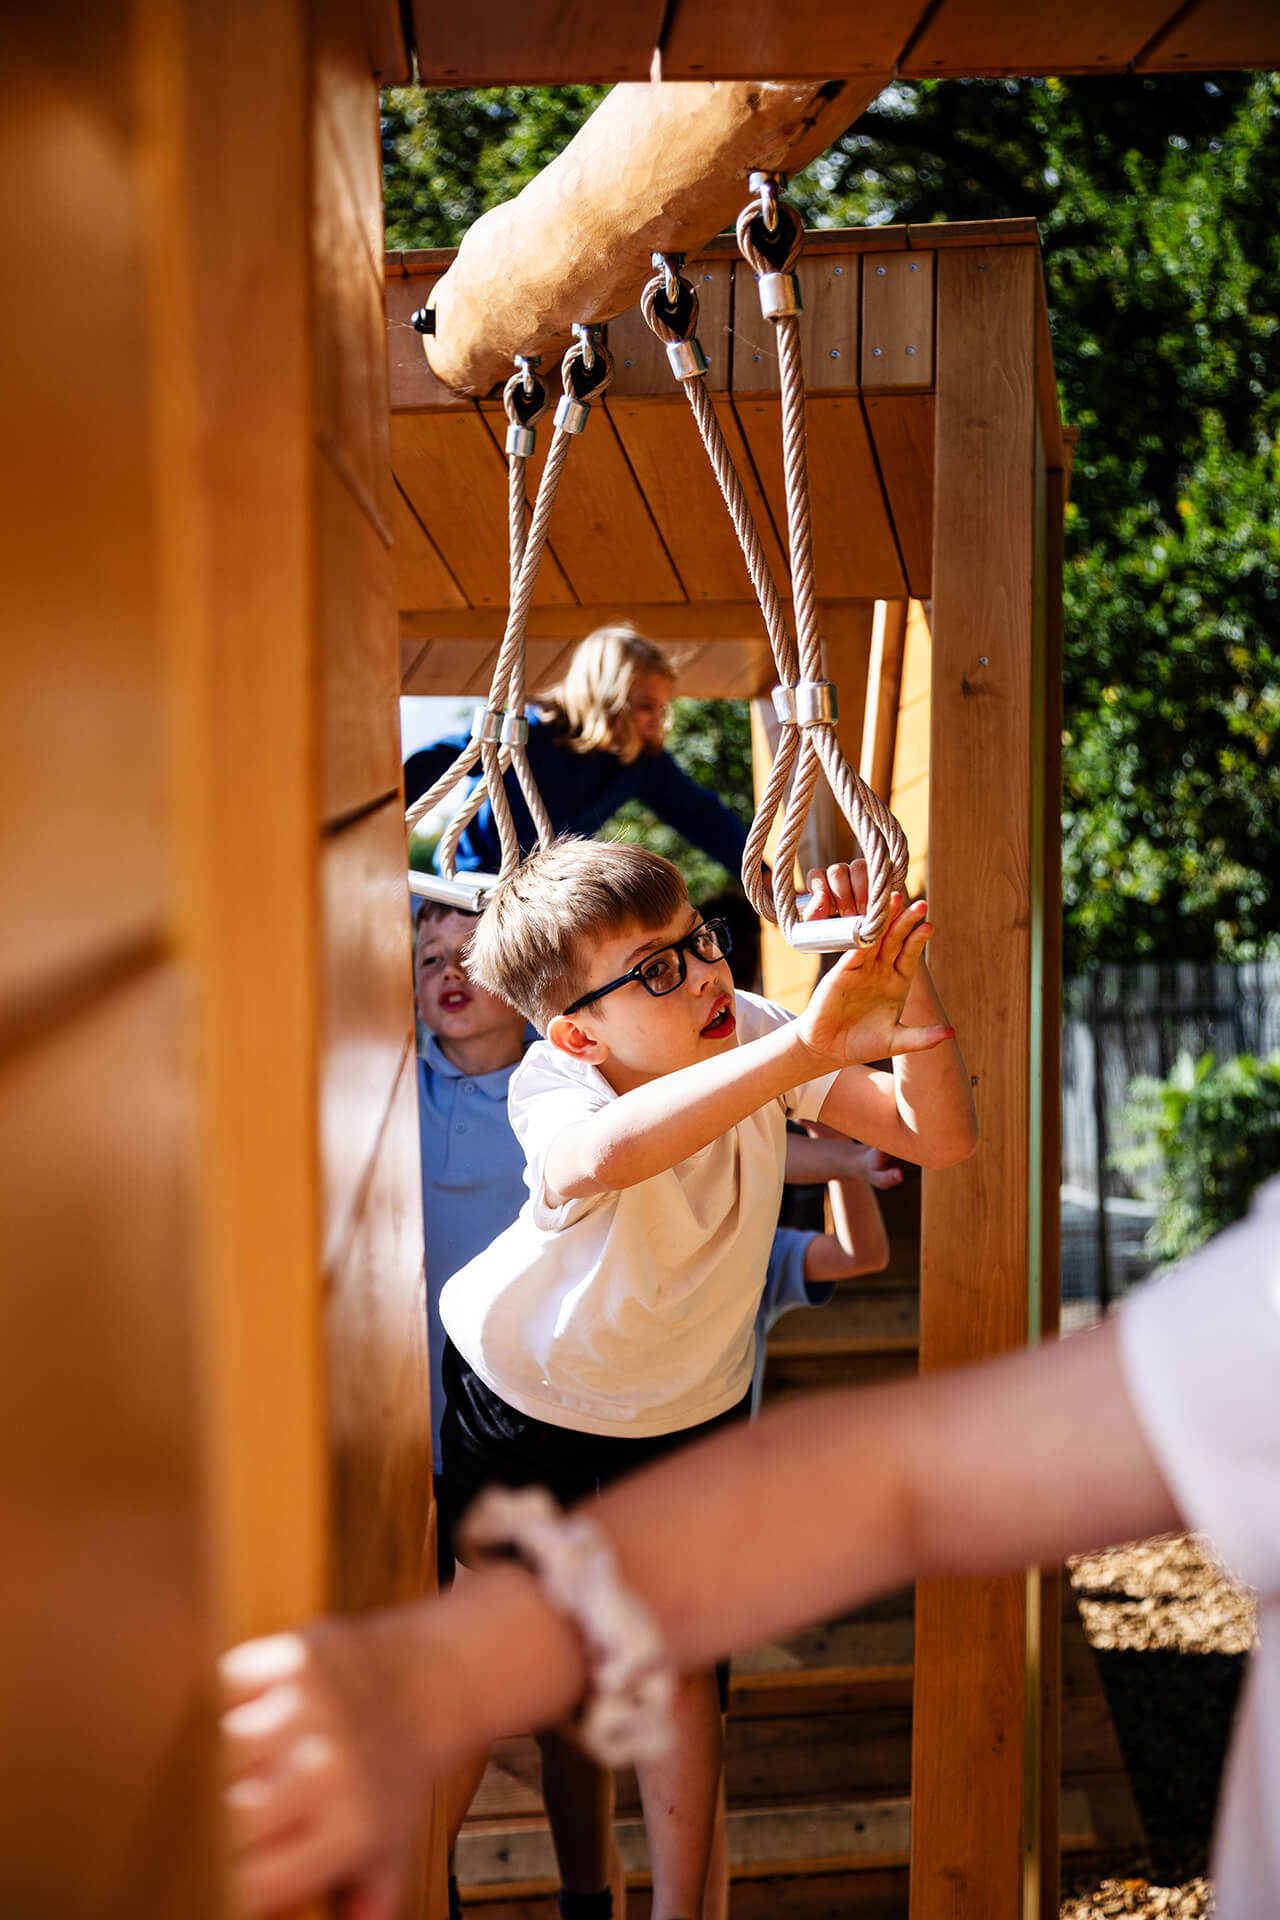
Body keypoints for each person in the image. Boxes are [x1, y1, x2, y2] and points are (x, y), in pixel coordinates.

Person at [224, 837, 975, 1919]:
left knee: (675, 1680)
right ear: (578, 1029)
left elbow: (936, 1137)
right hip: (526, 1402)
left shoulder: (755, 1029)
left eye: (698, 942)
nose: (707, 974)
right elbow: (604, 1159)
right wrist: (805, 1049)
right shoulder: (552, 1083)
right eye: (657, 970)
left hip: (682, 1412)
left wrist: (901, 990)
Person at [225, 1177, 1280, 1920]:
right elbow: (894, 1478)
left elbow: (858, 1252)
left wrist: (829, 1135)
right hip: (513, 1428)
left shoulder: (744, 1213)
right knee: (573, 1729)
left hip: (646, 1481)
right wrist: (432, 1674)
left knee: (650, 1711)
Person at [412, 896, 625, 1920]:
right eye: (426, 961)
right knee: (445, 1686)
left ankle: (588, 1895)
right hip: (418, 1433)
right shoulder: (395, 1084)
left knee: (567, 1700)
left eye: (468, 957)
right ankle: (427, 1884)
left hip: (544, 1421)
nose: (447, 973)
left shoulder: (563, 1087)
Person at [404, 626, 749, 879]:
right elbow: (444, 759)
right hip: (474, 875)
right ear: (606, 699)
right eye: (646, 706)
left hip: (539, 886)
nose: (657, 721)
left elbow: (702, 817)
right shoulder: (531, 735)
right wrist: (391, 815)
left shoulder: (639, 760)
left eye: (663, 708)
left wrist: (757, 875)